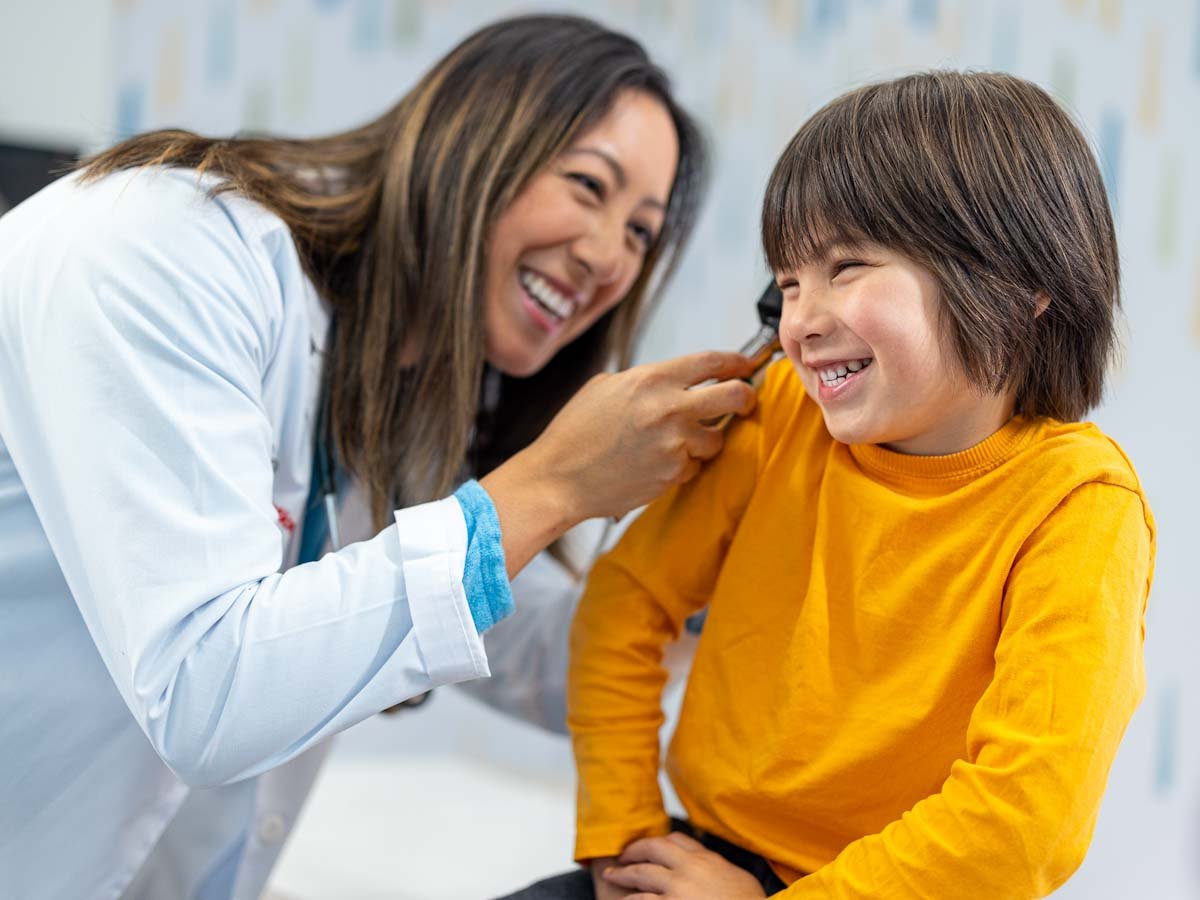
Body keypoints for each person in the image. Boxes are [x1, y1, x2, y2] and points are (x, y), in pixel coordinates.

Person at [0, 15, 758, 900]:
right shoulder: (164, 250)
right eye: (588, 186)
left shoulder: (396, 402)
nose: (604, 258)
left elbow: (544, 654)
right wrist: (553, 485)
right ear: (469, 144)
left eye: (640, 232)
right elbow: (203, 689)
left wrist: (732, 546)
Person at [502, 71, 1156, 899]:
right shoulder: (781, 414)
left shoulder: (1080, 508)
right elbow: (624, 603)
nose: (800, 321)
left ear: (1023, 283)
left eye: (846, 267)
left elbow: (1024, 821)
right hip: (700, 858)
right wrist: (621, 836)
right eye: (788, 283)